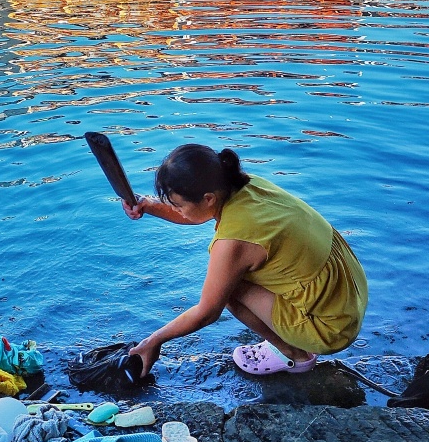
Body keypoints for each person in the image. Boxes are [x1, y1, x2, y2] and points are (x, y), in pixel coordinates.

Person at [125, 144, 368, 378]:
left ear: (208, 198)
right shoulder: (246, 185)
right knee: (235, 274)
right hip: (348, 294)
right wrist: (149, 206)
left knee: (228, 289)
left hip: (331, 328)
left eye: (178, 205)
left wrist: (153, 341)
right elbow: (198, 214)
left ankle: (293, 354)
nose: (176, 210)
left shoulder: (234, 242)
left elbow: (207, 313)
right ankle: (292, 334)